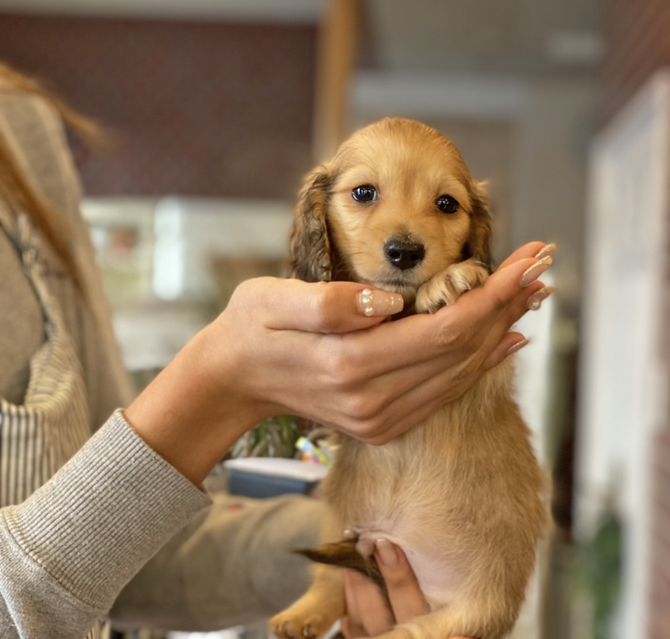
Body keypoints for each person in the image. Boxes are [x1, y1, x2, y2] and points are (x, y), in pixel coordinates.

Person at [0, 65, 552, 639]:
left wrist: (362, 549)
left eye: (445, 204)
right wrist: (222, 383)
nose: (405, 234)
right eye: (364, 194)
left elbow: (135, 546)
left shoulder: (23, 123)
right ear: (321, 212)